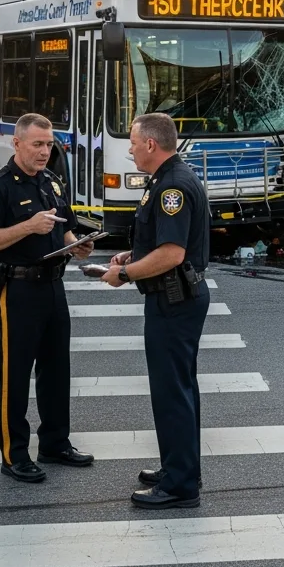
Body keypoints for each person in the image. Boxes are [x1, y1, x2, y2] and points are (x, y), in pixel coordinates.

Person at [0, 113, 95, 483]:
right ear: (17, 143)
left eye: (49, 144)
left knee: (57, 369)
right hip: (18, 289)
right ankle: (15, 454)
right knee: (15, 374)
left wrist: (78, 246)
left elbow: (66, 228)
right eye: (38, 144)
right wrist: (27, 225)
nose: (45, 151)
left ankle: (55, 443)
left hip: (53, 286)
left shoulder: (52, 182)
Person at [101, 112, 210, 509]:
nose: (129, 148)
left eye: (132, 141)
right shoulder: (166, 180)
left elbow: (173, 253)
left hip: (175, 299)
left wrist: (125, 273)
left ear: (151, 144)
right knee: (178, 390)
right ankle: (179, 467)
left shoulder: (172, 188)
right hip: (175, 297)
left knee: (172, 393)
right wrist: (135, 253)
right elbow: (163, 242)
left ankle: (180, 486)